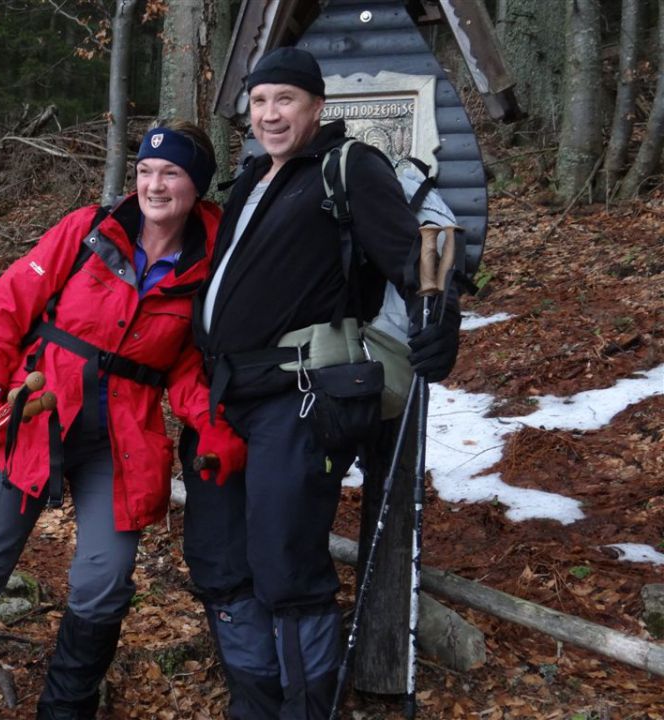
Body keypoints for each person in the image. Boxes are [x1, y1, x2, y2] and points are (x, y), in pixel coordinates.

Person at [0, 119, 247, 720]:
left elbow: (189, 370)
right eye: (145, 170)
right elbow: (5, 308)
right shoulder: (89, 232)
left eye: (171, 173)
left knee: (104, 582)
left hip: (121, 443)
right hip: (34, 417)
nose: (154, 184)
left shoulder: (208, 268)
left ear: (197, 185)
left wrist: (213, 425)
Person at [181, 47, 462, 718]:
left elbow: (407, 254)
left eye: (285, 100)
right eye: (259, 102)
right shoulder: (251, 178)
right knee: (219, 560)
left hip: (298, 396)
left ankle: (307, 708)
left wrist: (439, 314)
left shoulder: (349, 168)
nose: (270, 114)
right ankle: (255, 702)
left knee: (284, 564)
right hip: (227, 399)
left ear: (317, 106)